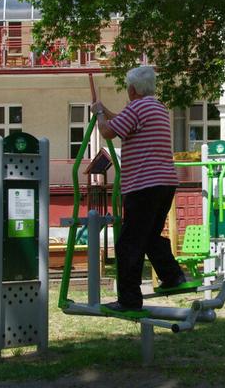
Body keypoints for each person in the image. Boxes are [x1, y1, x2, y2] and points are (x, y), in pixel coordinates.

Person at [91, 66, 186, 313]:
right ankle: (173, 275)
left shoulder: (136, 107)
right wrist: (106, 112)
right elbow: (121, 121)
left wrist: (100, 113)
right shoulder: (158, 108)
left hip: (143, 185)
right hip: (165, 184)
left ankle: (129, 299)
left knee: (129, 244)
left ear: (132, 89)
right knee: (150, 236)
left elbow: (108, 131)